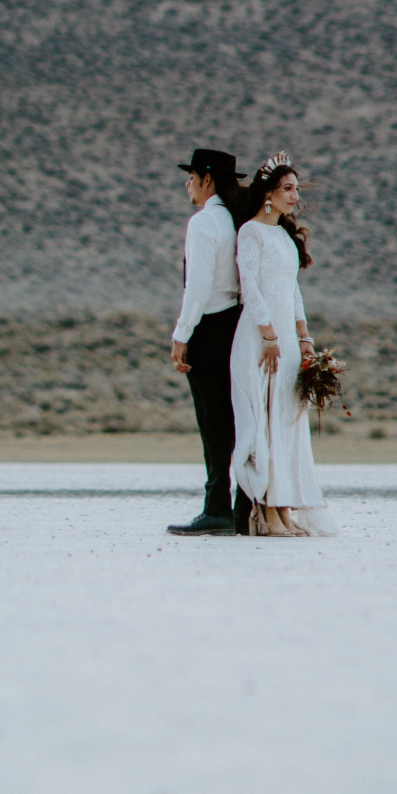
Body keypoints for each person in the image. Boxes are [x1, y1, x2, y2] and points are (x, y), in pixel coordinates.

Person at [230, 152, 338, 536]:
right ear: (268, 194)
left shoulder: (283, 236)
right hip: (260, 339)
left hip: (287, 342)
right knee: (265, 421)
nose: (295, 196)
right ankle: (265, 511)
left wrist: (303, 337)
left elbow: (291, 290)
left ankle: (286, 507)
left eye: (295, 189)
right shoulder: (251, 232)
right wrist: (269, 335)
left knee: (287, 423)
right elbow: (251, 288)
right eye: (287, 189)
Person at [166, 147, 243, 537]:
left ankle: (216, 508)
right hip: (238, 326)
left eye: (191, 176)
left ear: (206, 179)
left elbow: (196, 287)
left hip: (210, 328)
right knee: (238, 419)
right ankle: (244, 505)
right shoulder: (237, 220)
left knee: (213, 422)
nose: (187, 184)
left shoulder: (204, 222)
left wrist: (182, 334)